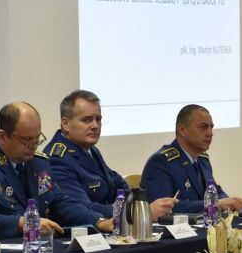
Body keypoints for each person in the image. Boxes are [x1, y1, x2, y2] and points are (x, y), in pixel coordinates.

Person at [0, 101, 113, 244]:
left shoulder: (38, 163)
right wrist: (24, 223)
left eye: (37, 138)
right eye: (27, 139)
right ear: (2, 136)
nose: (34, 146)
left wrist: (99, 222)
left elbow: (60, 203)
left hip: (36, 249)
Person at [43, 90, 176, 218]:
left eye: (98, 119)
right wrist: (139, 212)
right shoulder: (57, 159)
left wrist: (136, 204)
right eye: (86, 120)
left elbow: (117, 183)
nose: (95, 126)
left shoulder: (90, 149)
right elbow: (83, 209)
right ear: (65, 124)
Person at [141, 104, 242, 213]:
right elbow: (165, 209)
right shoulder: (161, 162)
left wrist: (230, 202)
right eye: (203, 127)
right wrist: (215, 204)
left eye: (211, 127)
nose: (210, 133)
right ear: (182, 130)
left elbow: (215, 191)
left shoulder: (203, 160)